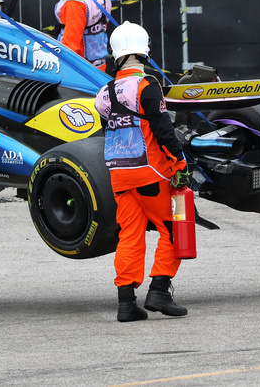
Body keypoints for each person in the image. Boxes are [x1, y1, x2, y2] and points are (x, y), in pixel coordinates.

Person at [95, 21, 190, 322]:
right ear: (144, 52)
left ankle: (126, 303)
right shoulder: (148, 86)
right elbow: (163, 130)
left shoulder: (103, 93)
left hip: (119, 177)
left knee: (130, 237)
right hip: (150, 173)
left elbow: (107, 132)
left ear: (116, 54)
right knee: (174, 230)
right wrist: (180, 164)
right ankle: (159, 290)